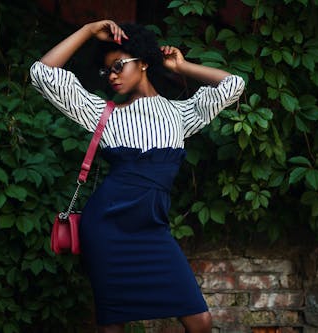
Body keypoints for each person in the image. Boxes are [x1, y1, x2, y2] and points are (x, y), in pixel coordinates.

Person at [30, 19, 245, 333]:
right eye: (108, 71)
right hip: (106, 228)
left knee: (200, 322)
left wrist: (182, 66)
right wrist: (90, 31)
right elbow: (42, 73)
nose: (113, 76)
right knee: (113, 324)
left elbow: (233, 85)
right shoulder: (102, 114)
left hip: (153, 230)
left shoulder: (180, 114)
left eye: (119, 65)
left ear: (144, 62)